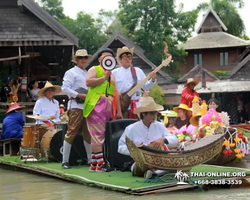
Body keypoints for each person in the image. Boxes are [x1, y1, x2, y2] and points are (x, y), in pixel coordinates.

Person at [118, 97, 178, 178]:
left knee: (175, 160)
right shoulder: (131, 128)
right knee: (146, 165)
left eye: (155, 113)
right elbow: (120, 147)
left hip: (159, 159)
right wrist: (134, 149)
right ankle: (157, 172)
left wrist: (163, 139)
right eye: (152, 113)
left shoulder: (159, 126)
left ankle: (154, 173)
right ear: (144, 113)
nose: (154, 116)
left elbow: (175, 140)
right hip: (141, 161)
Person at [83, 48, 122, 172]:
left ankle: (95, 164)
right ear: (100, 59)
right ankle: (100, 163)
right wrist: (104, 78)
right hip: (96, 104)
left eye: (110, 56)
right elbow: (88, 82)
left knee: (100, 135)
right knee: (97, 135)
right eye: (105, 56)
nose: (108, 59)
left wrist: (119, 111)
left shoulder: (113, 75)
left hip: (108, 105)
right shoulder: (94, 69)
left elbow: (115, 93)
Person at [61, 49, 92, 169]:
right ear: (77, 60)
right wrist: (78, 95)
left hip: (87, 106)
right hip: (75, 105)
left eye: (85, 58)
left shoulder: (88, 72)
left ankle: (90, 159)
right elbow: (65, 88)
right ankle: (65, 161)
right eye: (81, 58)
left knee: (87, 132)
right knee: (71, 131)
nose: (83, 60)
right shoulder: (71, 72)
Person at [112, 46, 156, 119]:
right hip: (122, 106)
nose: (128, 59)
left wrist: (153, 79)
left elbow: (145, 86)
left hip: (137, 105)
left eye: (130, 57)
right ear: (120, 59)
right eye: (125, 57)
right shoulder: (114, 73)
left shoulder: (138, 71)